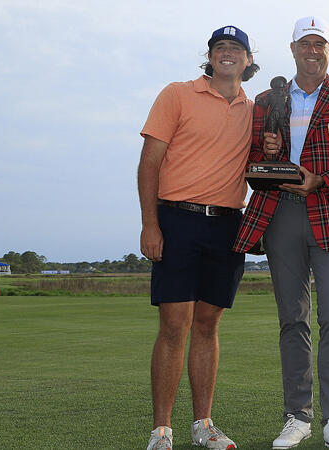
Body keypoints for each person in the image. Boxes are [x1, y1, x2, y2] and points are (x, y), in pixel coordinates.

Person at [232, 16, 329, 450]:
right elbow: (253, 161)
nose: (312, 51)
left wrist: (323, 181)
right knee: (292, 319)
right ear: (292, 50)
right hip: (280, 214)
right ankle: (297, 416)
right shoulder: (266, 99)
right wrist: (268, 151)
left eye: (320, 44)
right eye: (305, 44)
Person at [138, 25, 258, 450]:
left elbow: (266, 161)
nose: (227, 54)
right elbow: (149, 161)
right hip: (177, 219)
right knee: (174, 325)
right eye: (219, 48)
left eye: (235, 49)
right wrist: (149, 224)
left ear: (248, 59)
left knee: (207, 326)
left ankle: (203, 424)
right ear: (209, 57)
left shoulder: (255, 108)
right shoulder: (177, 94)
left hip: (228, 224)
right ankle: (162, 430)